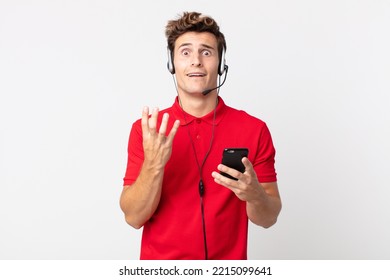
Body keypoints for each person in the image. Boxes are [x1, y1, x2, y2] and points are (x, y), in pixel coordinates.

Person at [120, 11, 282, 260]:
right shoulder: (148, 130)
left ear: (221, 63)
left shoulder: (254, 129)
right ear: (172, 64)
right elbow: (133, 217)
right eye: (185, 52)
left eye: (206, 52)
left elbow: (269, 218)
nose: (196, 61)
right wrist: (154, 165)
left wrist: (255, 194)